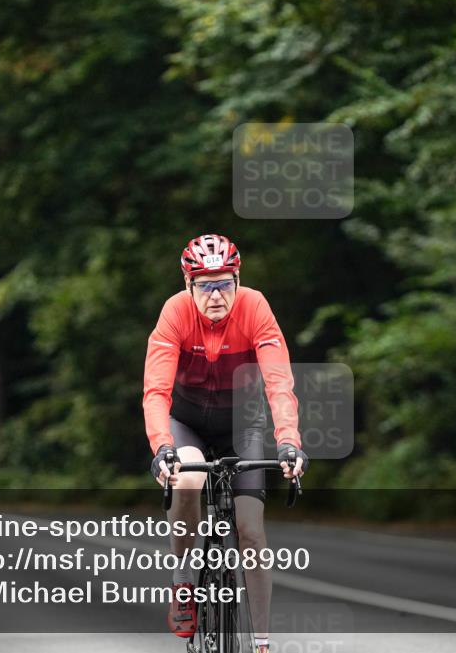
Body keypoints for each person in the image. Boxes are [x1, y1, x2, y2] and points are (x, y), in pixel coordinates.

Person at [144, 234, 308, 653]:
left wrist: (289, 442)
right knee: (187, 479)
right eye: (205, 285)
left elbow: (278, 384)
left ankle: (262, 643)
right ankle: (184, 580)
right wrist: (162, 447)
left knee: (251, 531)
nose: (215, 295)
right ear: (188, 286)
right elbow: (156, 391)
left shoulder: (255, 307)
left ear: (238, 280)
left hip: (242, 426)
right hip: (188, 424)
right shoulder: (175, 313)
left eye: (224, 284)